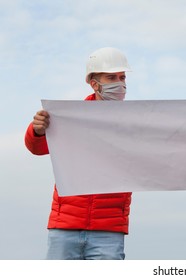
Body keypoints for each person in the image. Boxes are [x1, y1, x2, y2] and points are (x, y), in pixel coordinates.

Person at [24, 47, 133, 260]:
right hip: (65, 226)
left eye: (122, 77)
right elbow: (37, 148)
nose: (120, 84)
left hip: (109, 229)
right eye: (111, 77)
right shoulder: (69, 117)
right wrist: (37, 130)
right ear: (94, 83)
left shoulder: (134, 122)